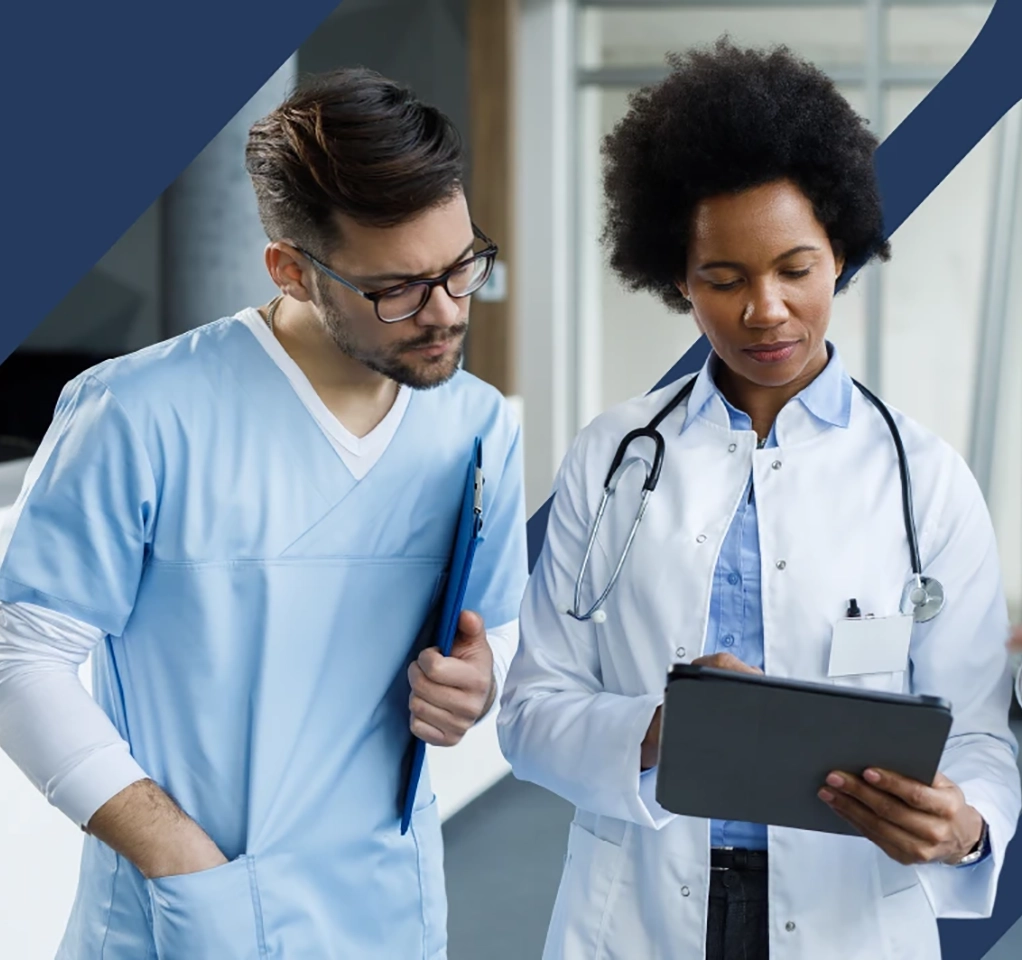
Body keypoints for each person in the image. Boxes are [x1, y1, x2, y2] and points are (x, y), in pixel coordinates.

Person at [497, 40, 1020, 960]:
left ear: (844, 256)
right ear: (676, 279)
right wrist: (663, 731)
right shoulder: (612, 457)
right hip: (641, 911)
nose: (766, 310)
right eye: (723, 279)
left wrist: (968, 824)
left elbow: (976, 731)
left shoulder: (924, 477)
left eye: (796, 268)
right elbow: (533, 711)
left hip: (849, 908)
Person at [0, 68, 526, 959]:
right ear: (291, 268)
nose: (445, 314)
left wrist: (476, 686)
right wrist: (176, 855)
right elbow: (22, 653)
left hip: (384, 906)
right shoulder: (137, 412)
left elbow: (487, 642)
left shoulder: (476, 424)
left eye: (460, 267)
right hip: (187, 913)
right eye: (397, 288)